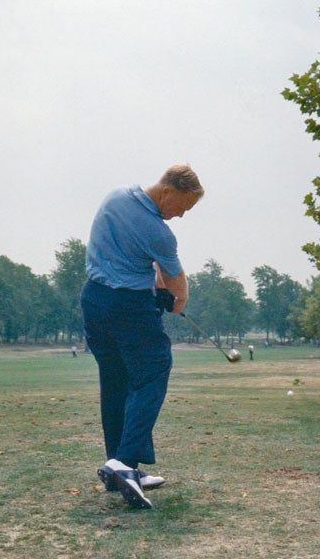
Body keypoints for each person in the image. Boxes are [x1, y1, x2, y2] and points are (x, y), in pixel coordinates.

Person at [80, 164, 204, 509]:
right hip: (129, 308)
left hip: (93, 301)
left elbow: (138, 263)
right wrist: (177, 301)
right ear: (168, 191)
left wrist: (157, 286)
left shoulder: (115, 196)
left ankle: (120, 466)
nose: (180, 215)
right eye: (183, 206)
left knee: (116, 381)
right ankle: (125, 462)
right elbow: (176, 282)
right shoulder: (159, 231)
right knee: (152, 372)